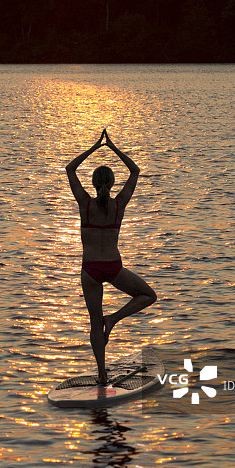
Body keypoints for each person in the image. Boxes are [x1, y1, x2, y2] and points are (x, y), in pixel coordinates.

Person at [65, 130, 157, 386]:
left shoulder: (85, 204)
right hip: (114, 267)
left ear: (94, 184)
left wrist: (96, 147)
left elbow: (70, 169)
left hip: (90, 270)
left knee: (95, 322)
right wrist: (113, 147)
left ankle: (102, 374)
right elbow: (135, 171)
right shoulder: (119, 205)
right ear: (112, 183)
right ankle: (114, 318)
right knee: (148, 296)